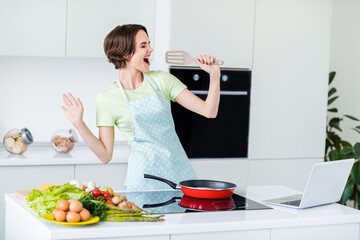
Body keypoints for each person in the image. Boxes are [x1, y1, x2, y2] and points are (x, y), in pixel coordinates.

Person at [62, 24, 220, 191]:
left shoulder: (162, 80)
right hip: (143, 180)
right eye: (143, 46)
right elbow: (105, 155)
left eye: (149, 44)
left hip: (180, 174)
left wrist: (215, 75)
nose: (150, 49)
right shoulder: (107, 98)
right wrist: (79, 124)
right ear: (125, 53)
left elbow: (209, 111)